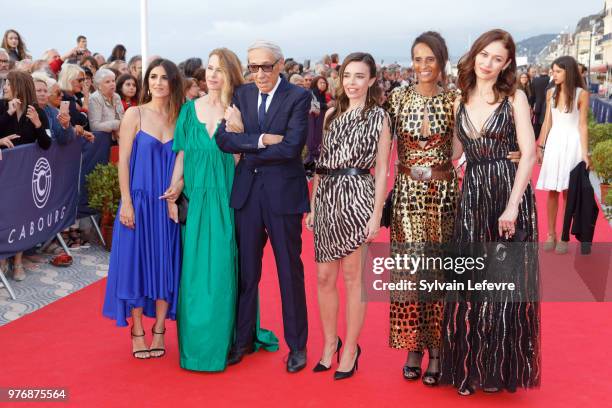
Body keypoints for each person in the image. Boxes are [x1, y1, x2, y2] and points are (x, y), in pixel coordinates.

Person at [161, 48, 278, 372]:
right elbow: (182, 156)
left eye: (219, 70)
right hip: (197, 206)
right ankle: (196, 347)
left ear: (230, 75)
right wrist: (174, 192)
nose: (212, 75)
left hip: (230, 203)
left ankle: (231, 341)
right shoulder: (187, 111)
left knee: (226, 274)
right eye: (209, 68)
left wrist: (240, 131)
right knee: (195, 278)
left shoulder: (239, 112)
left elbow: (246, 160)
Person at [440, 29, 540, 396]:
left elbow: (528, 154)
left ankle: (497, 370)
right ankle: (470, 368)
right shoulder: (458, 100)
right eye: (485, 55)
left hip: (508, 195)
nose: (489, 63)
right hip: (473, 195)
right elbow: (453, 152)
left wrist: (512, 206)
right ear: (475, 54)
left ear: (507, 64)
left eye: (498, 58)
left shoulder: (514, 97)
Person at [216, 40, 310, 373]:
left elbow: (291, 148)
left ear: (280, 64)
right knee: (247, 274)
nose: (259, 73)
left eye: (266, 66)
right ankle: (243, 341)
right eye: (253, 67)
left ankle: (297, 346)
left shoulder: (298, 97)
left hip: (283, 197)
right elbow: (222, 140)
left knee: (289, 271)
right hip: (247, 196)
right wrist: (259, 140)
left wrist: (249, 149)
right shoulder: (241, 95)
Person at [305, 52, 391, 380]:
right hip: (327, 198)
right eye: (347, 76)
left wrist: (376, 214)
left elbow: (382, 169)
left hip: (359, 196)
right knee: (325, 278)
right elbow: (322, 166)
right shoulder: (330, 116)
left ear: (371, 81)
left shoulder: (380, 117)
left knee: (354, 278)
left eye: (359, 76)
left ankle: (352, 349)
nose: (352, 83)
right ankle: (330, 344)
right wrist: (314, 206)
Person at [384, 31, 459, 386]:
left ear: (441, 61)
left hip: (444, 194)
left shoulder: (455, 99)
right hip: (407, 195)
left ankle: (440, 349)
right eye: (418, 58)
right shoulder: (397, 98)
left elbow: (464, 148)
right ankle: (414, 347)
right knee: (410, 273)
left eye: (430, 59)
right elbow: (382, 148)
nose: (423, 65)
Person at [102, 58, 183, 359]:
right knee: (135, 265)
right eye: (153, 77)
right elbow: (122, 161)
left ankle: (160, 329)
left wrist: (179, 186)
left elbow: (184, 158)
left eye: (164, 78)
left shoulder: (180, 118)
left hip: (166, 205)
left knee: (165, 266)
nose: (158, 82)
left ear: (173, 83)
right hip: (138, 203)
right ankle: (137, 328)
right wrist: (126, 201)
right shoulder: (134, 114)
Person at [0, 70, 52, 281]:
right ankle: (3, 261)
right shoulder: (3, 107)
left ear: (18, 87)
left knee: (20, 217)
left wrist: (39, 125)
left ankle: (18, 261)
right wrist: (8, 114)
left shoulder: (37, 112)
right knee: (4, 217)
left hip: (25, 176)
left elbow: (46, 144)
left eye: (7, 83)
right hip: (4, 175)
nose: (4, 87)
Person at [536, 56, 589, 254]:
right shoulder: (550, 92)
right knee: (552, 191)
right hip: (555, 143)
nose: (554, 75)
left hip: (573, 143)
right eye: (553, 71)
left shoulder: (581, 94)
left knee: (568, 192)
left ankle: (565, 236)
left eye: (557, 71)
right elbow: (547, 122)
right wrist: (541, 146)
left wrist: (585, 153)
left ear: (569, 71)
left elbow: (582, 125)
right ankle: (551, 234)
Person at [32, 73, 76, 145]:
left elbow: (64, 140)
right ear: (30, 92)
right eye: (39, 91)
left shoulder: (53, 111)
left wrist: (66, 125)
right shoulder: (25, 110)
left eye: (45, 91)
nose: (43, 94)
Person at [89, 68, 124, 138]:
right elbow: (94, 126)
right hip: (102, 139)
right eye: (107, 82)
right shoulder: (95, 98)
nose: (112, 84)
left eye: (113, 81)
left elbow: (122, 117)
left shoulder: (116, 96)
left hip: (118, 137)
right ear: (99, 86)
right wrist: (116, 124)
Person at [531, 66, 550, 138]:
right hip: (547, 106)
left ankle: (537, 140)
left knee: (537, 125)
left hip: (538, 106)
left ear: (539, 71)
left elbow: (533, 95)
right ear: (548, 71)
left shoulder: (535, 80)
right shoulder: (550, 80)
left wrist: (532, 105)